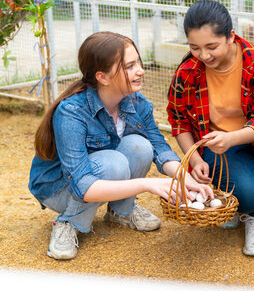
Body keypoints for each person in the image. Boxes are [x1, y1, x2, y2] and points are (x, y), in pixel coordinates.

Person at [29, 31, 213, 260]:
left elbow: (160, 149)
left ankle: (120, 211)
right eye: (129, 66)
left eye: (138, 62)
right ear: (102, 77)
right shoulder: (72, 111)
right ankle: (68, 222)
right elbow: (83, 185)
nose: (141, 70)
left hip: (99, 174)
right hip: (58, 188)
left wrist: (187, 180)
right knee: (113, 163)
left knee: (141, 146)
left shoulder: (137, 103)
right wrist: (147, 185)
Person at [167, 0, 254, 257]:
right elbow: (179, 122)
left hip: (247, 138)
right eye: (194, 47)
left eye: (212, 46)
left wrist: (231, 138)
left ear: (231, 36)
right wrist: (196, 158)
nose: (204, 55)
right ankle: (249, 199)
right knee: (252, 194)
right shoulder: (187, 72)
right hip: (217, 149)